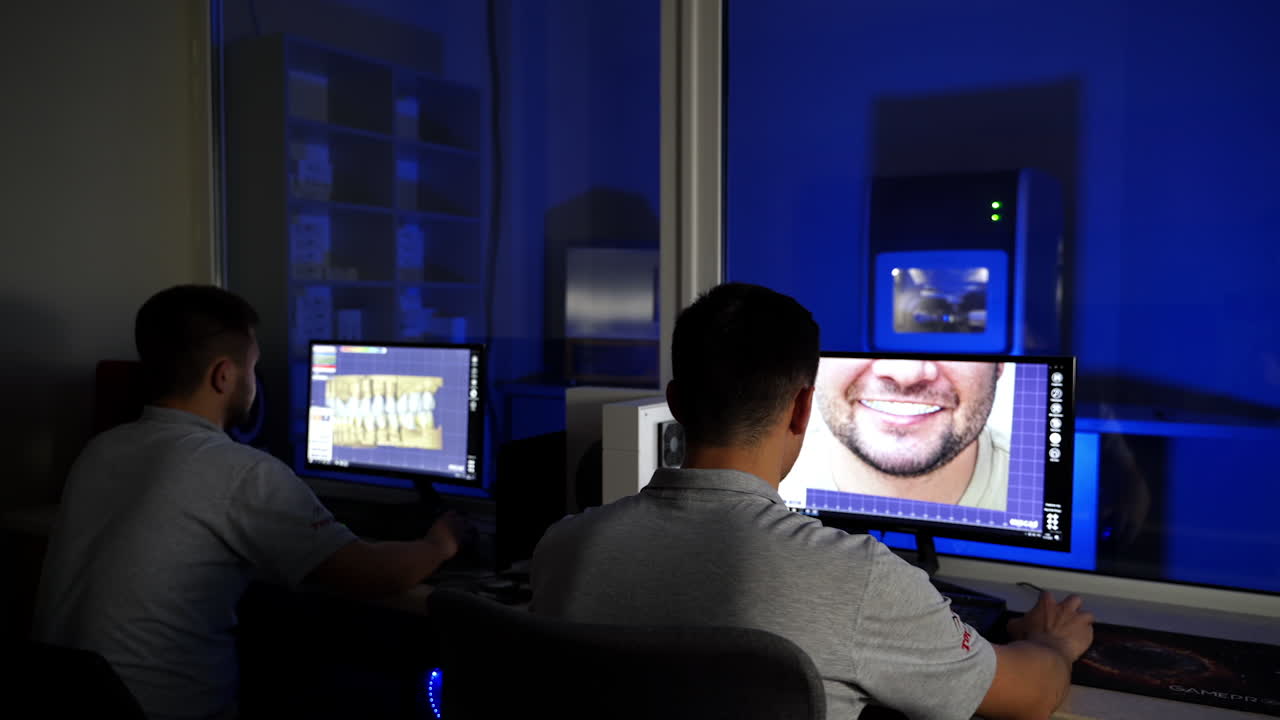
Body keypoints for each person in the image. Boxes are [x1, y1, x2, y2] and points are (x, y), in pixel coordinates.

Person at [531, 282, 1093, 720]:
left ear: (676, 404)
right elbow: (1030, 698)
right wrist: (1054, 644)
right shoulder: (860, 580)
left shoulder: (563, 548)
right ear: (803, 409)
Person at [32, 285, 463, 720]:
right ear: (224, 375)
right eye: (252, 369)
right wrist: (440, 544)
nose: (255, 383)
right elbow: (373, 575)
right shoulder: (240, 471)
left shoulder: (100, 450)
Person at [791, 357, 1010, 510]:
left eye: (955, 335)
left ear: (999, 364)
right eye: (856, 327)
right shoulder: (771, 490)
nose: (906, 374)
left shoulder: (1037, 493)